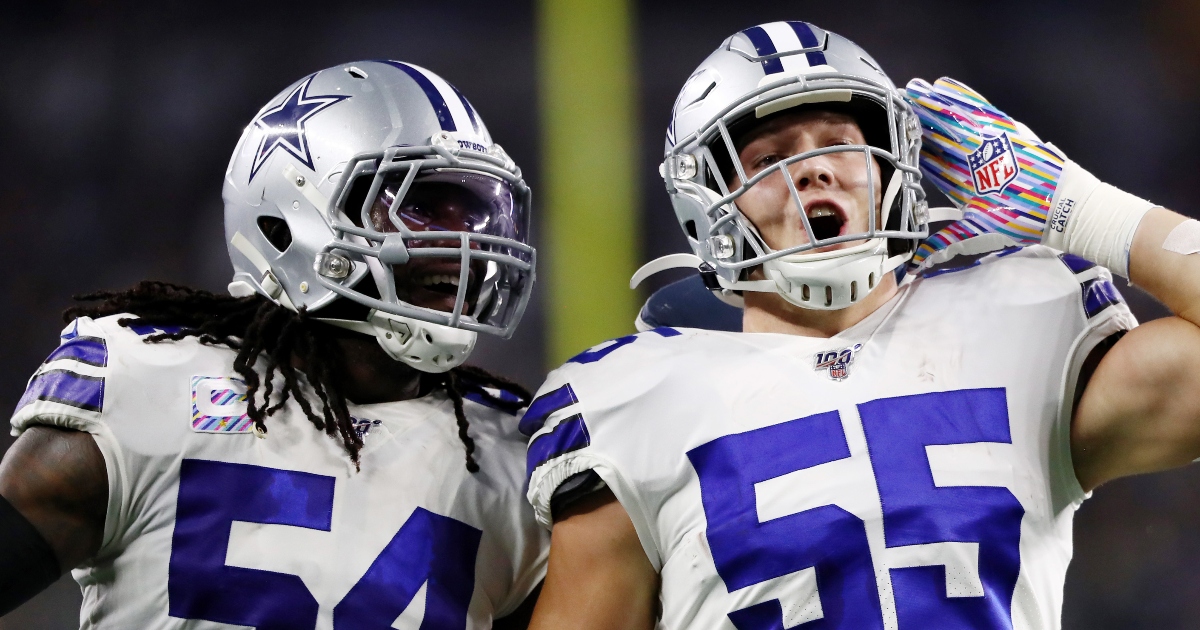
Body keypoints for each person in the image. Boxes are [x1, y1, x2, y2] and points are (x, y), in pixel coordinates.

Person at [522, 21, 1200, 630]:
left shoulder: (1016, 321)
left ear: (891, 170)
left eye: (841, 144)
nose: (815, 167)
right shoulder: (632, 401)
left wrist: (1076, 207)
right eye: (768, 158)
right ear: (708, 206)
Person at [0, 60, 546, 629]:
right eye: (424, 206)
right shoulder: (148, 382)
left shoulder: (507, 454)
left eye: (478, 213)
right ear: (292, 212)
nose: (463, 241)